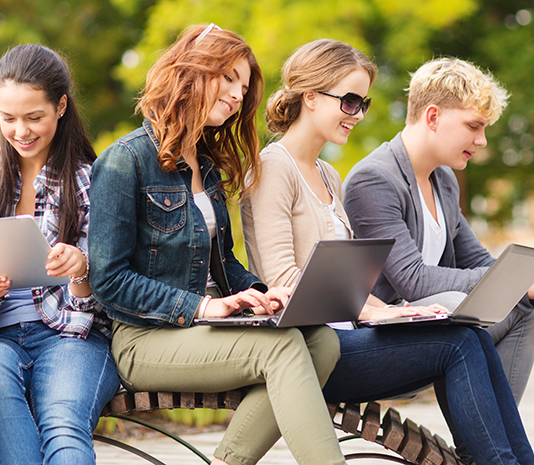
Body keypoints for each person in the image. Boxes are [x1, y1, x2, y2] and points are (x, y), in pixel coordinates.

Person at [241, 39, 534, 465]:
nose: (357, 115)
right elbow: (282, 280)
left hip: (347, 336)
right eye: (348, 101)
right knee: (459, 340)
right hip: (310, 351)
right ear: (309, 97)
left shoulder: (328, 174)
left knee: (464, 332)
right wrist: (372, 310)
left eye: (362, 103)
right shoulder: (273, 167)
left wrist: (388, 310)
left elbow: (347, 280)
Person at [89, 24, 346, 465]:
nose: (236, 94)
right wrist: (203, 307)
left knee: (323, 342)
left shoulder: (205, 166)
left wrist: (267, 295)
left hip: (208, 326)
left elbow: (222, 262)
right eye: (227, 78)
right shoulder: (124, 161)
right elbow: (108, 282)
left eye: (243, 87)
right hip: (146, 336)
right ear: (189, 71)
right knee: (281, 349)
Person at [343, 56, 534, 405]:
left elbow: (478, 262)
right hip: (380, 338)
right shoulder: (375, 179)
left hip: (429, 325)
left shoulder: (443, 180)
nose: (483, 140)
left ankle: (481, 451)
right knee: (457, 305)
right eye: (474, 126)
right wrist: (512, 281)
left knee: (526, 312)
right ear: (432, 117)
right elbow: (414, 281)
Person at [0, 44, 121, 465]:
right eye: (8, 118)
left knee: (63, 422)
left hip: (73, 335)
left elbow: (111, 292)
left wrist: (81, 268)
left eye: (34, 117)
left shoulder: (93, 180)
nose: (21, 131)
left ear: (61, 106)